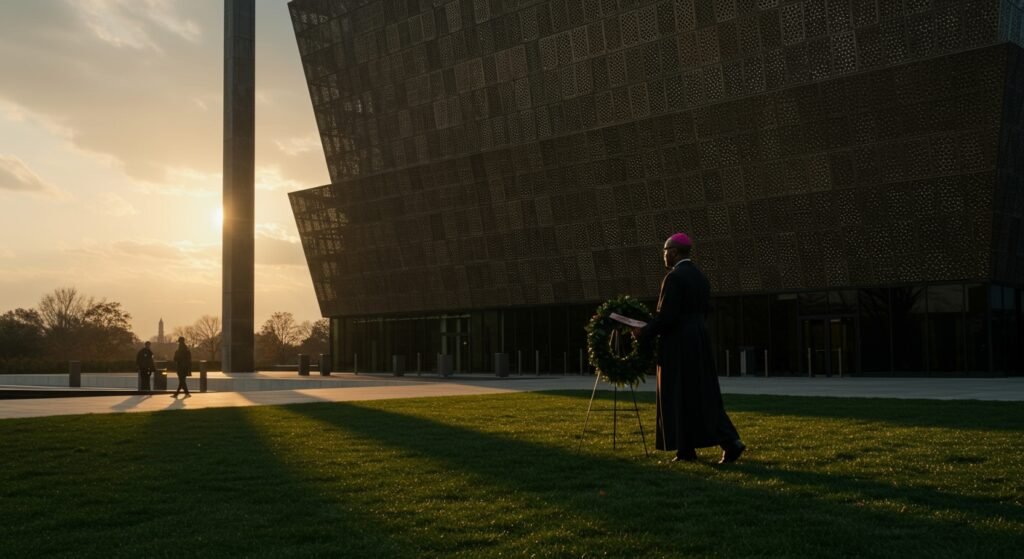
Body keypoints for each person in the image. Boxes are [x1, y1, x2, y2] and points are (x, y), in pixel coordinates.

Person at [635, 233, 746, 464]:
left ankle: (725, 443)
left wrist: (643, 332)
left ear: (674, 252)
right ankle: (687, 450)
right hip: (698, 340)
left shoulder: (674, 278)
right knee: (699, 394)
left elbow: (667, 317)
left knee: (679, 394)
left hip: (679, 344)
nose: (664, 255)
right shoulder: (700, 277)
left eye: (665, 250)